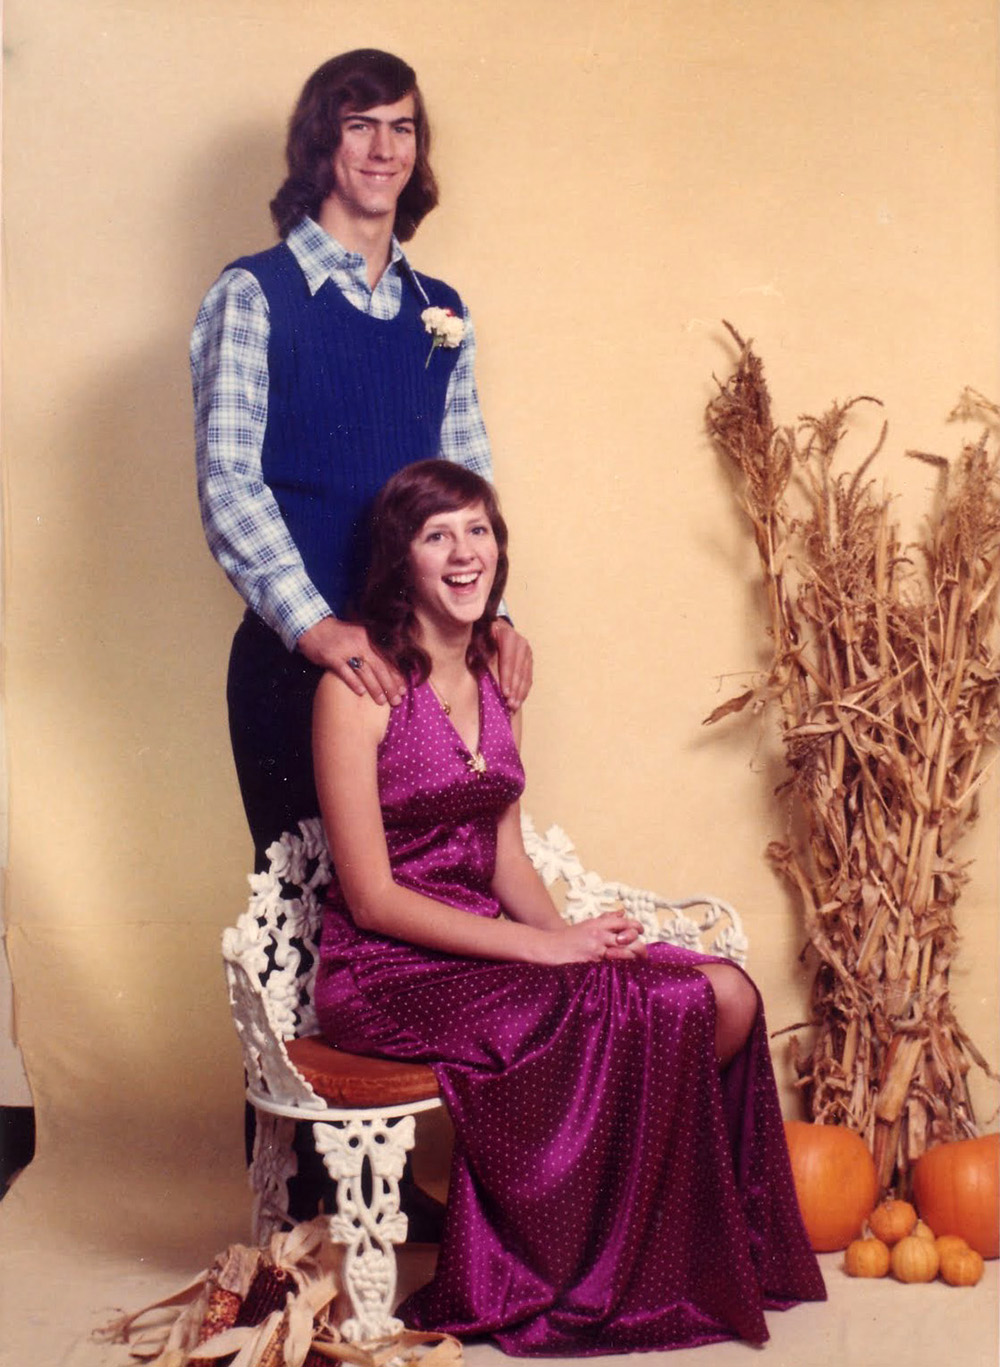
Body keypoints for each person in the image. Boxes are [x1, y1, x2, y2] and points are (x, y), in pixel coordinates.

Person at [312, 459, 826, 1355]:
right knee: (620, 1008)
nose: (466, 552)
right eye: (439, 535)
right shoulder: (357, 688)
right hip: (386, 968)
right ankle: (569, 1272)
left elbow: (504, 853)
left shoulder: (497, 677)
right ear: (401, 560)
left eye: (480, 530)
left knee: (724, 993)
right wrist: (539, 952)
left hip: (490, 950)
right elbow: (373, 896)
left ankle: (628, 1252)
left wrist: (571, 937)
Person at [191, 49, 531, 867]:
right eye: (360, 126)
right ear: (322, 145)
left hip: (426, 660)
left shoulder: (441, 310)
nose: (384, 149)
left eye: (402, 128)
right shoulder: (253, 294)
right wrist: (317, 628)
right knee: (320, 933)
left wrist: (492, 621)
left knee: (444, 897)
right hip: (303, 666)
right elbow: (229, 484)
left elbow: (467, 490)